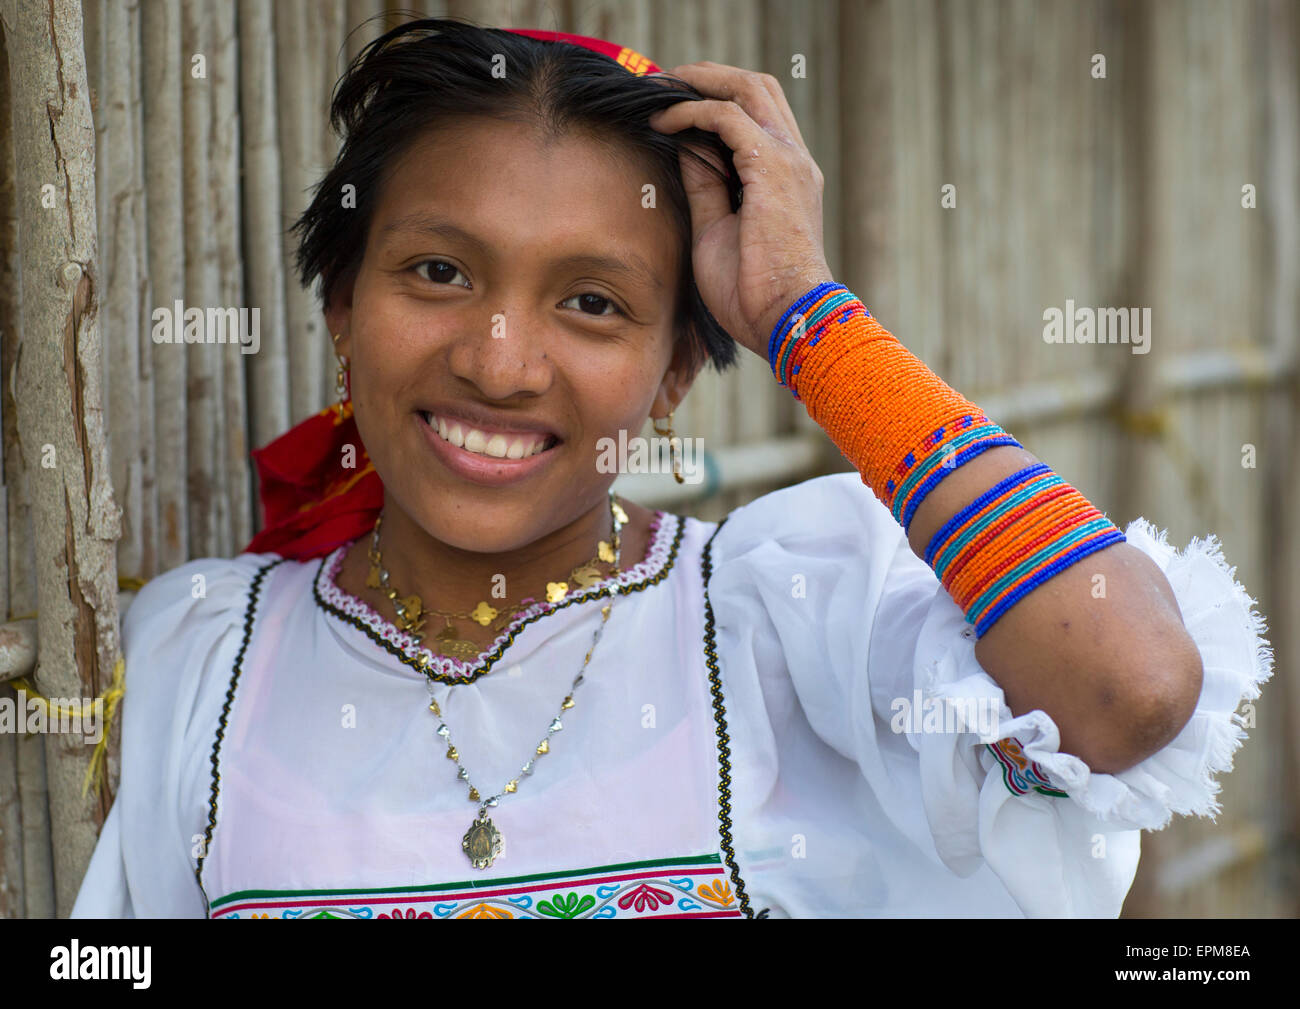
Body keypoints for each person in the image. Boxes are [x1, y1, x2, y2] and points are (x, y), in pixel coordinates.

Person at [71, 19, 1271, 919]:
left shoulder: (787, 629)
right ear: (341, 307)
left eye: (592, 303)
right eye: (438, 272)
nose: (499, 361)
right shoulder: (209, 661)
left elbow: (1127, 692)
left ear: (674, 376)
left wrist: (805, 312)